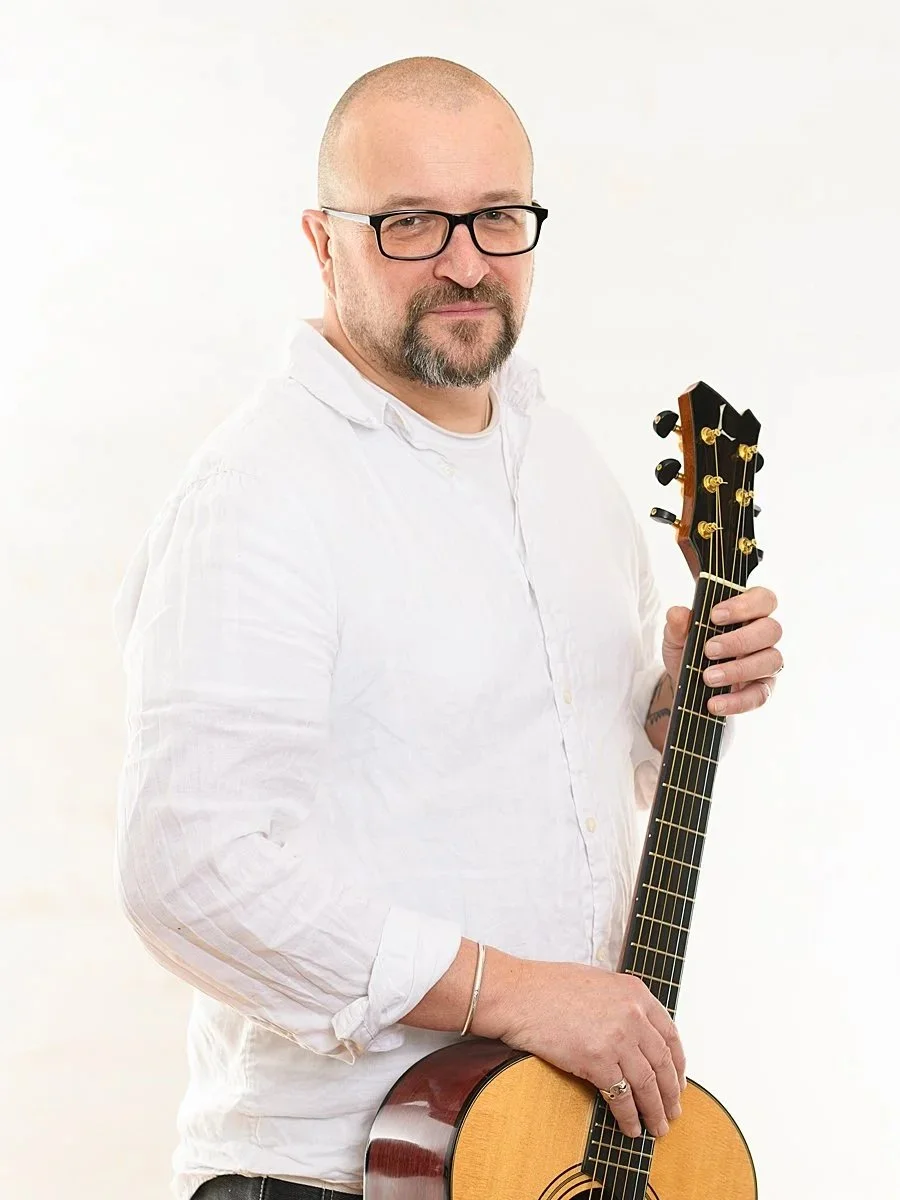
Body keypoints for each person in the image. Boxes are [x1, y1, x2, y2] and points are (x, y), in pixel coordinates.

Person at [112, 56, 783, 1200]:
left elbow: (553, 767)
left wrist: (674, 712)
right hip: (330, 1173)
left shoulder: (567, 466)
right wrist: (517, 992)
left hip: (561, 1155)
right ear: (324, 243)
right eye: (412, 221)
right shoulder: (262, 494)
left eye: (498, 218)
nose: (467, 260)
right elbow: (190, 871)